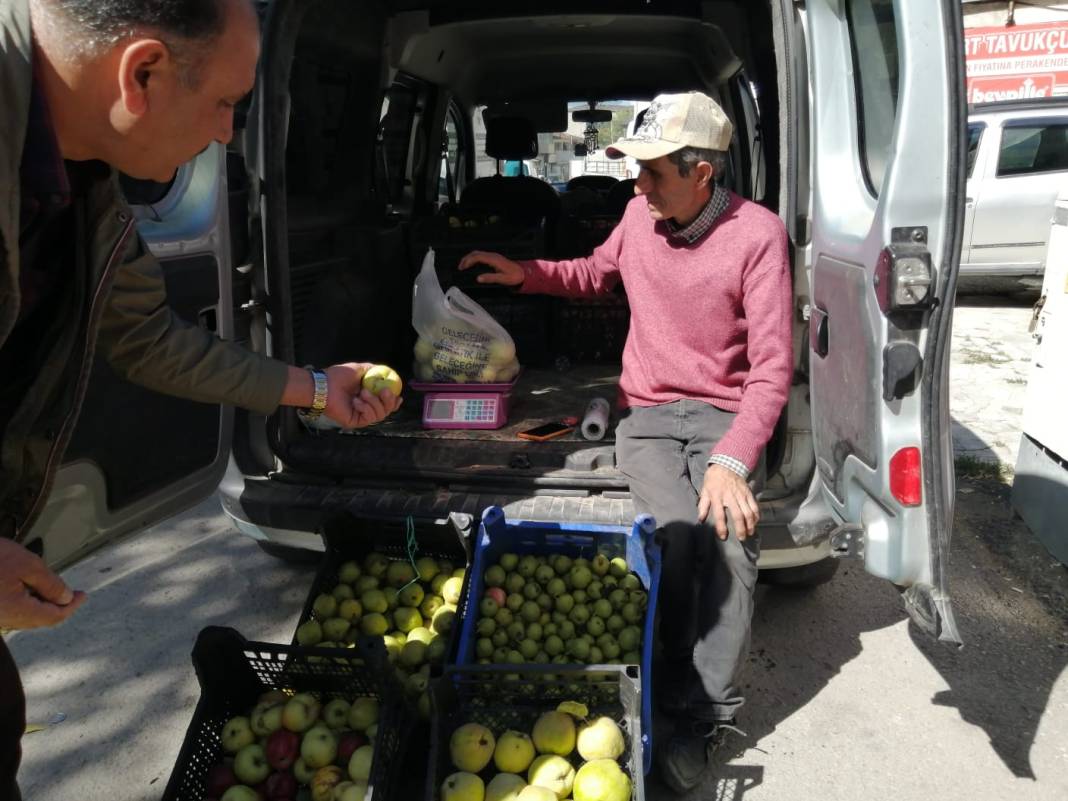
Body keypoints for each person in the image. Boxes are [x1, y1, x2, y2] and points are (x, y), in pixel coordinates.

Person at [0, 0, 402, 795]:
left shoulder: (86, 176)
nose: (226, 136)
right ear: (142, 73)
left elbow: (145, 335)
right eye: (225, 104)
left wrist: (317, 388)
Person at [460, 91, 793, 793]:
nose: (637, 187)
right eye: (636, 172)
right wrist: (527, 274)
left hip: (721, 415)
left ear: (701, 173)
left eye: (653, 173)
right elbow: (593, 272)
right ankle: (667, 667)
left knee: (729, 541)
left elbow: (772, 367)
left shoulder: (757, 234)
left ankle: (707, 712)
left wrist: (733, 460)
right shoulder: (639, 218)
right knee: (676, 539)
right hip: (644, 415)